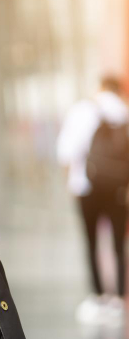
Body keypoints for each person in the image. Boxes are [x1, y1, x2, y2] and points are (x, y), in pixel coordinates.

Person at [57, 75, 129, 325]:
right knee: (119, 243)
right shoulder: (125, 111)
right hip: (119, 190)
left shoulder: (83, 110)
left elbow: (66, 150)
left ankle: (99, 297)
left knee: (92, 241)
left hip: (86, 187)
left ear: (99, 87)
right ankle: (119, 298)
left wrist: (69, 181)